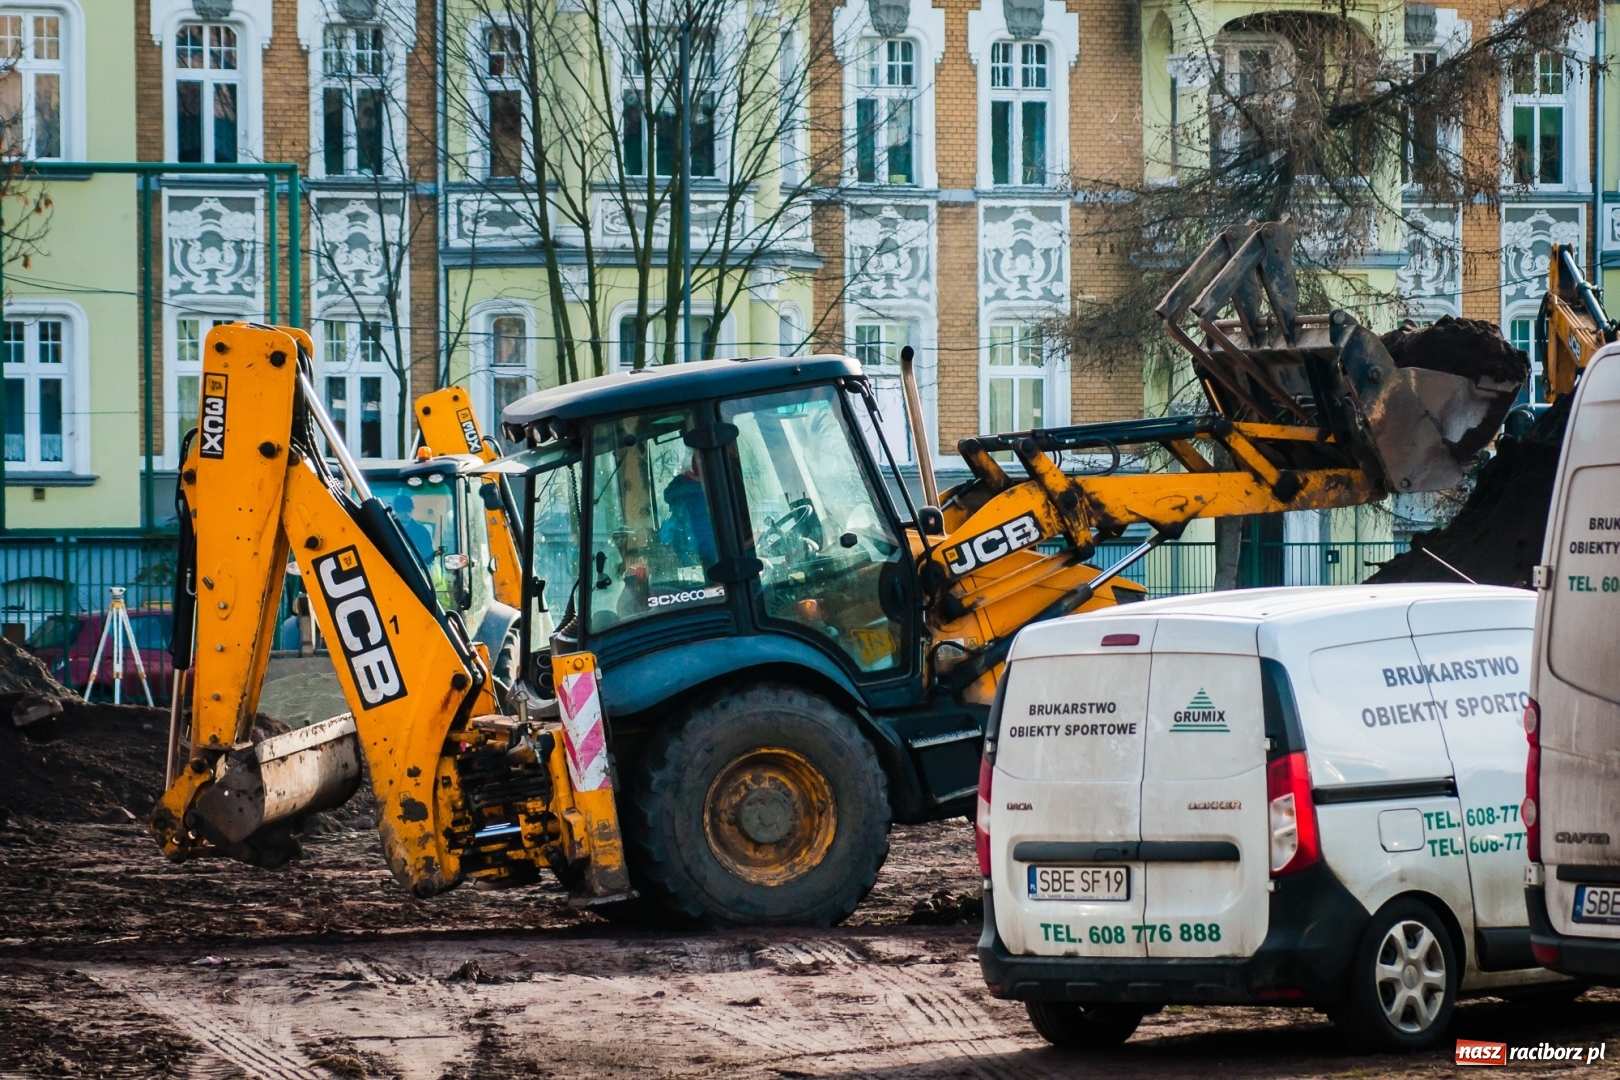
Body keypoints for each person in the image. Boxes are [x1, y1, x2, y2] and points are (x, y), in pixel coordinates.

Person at [659, 455, 717, 564]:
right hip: (702, 563)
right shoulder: (700, 496)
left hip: (682, 562)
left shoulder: (678, 493)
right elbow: (705, 542)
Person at [391, 493, 437, 565]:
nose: (407, 514)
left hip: (415, 572)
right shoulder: (386, 529)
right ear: (395, 510)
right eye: (403, 510)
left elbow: (428, 556)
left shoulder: (422, 532)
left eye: (409, 510)